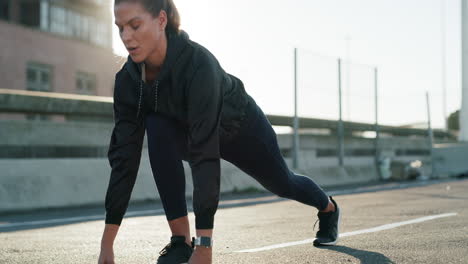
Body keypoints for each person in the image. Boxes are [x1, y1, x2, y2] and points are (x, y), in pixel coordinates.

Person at [98, 0, 341, 263]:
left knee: (283, 183)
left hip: (240, 129)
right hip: (187, 133)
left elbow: (205, 156)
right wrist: (107, 244)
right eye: (120, 28)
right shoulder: (128, 81)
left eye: (135, 25)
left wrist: (205, 247)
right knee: (157, 126)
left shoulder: (198, 64)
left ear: (161, 20)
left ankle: (328, 208)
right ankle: (180, 241)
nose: (126, 37)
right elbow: (125, 158)